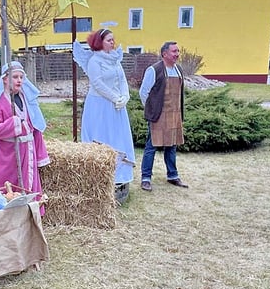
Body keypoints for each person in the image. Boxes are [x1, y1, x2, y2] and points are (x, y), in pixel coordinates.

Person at [73, 28, 135, 203]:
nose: (112, 43)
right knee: (102, 138)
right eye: (109, 40)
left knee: (118, 138)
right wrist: (115, 97)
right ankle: (99, 179)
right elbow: (98, 83)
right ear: (100, 42)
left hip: (116, 108)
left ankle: (119, 178)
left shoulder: (115, 60)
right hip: (100, 106)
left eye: (113, 40)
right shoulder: (95, 60)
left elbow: (122, 80)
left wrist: (125, 96)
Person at [0, 60, 50, 197]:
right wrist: (13, 124)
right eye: (15, 77)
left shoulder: (27, 99)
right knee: (7, 192)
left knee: (28, 189)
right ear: (5, 79)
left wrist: (40, 153)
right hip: (8, 156)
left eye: (21, 77)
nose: (19, 80)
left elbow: (35, 127)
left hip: (27, 151)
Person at [138, 41, 189, 191]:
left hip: (174, 115)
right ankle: (146, 178)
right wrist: (152, 110)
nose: (177, 54)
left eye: (178, 51)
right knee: (151, 146)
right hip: (158, 115)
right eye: (174, 51)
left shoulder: (178, 70)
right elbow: (144, 92)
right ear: (164, 54)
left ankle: (172, 175)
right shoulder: (154, 70)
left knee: (172, 146)